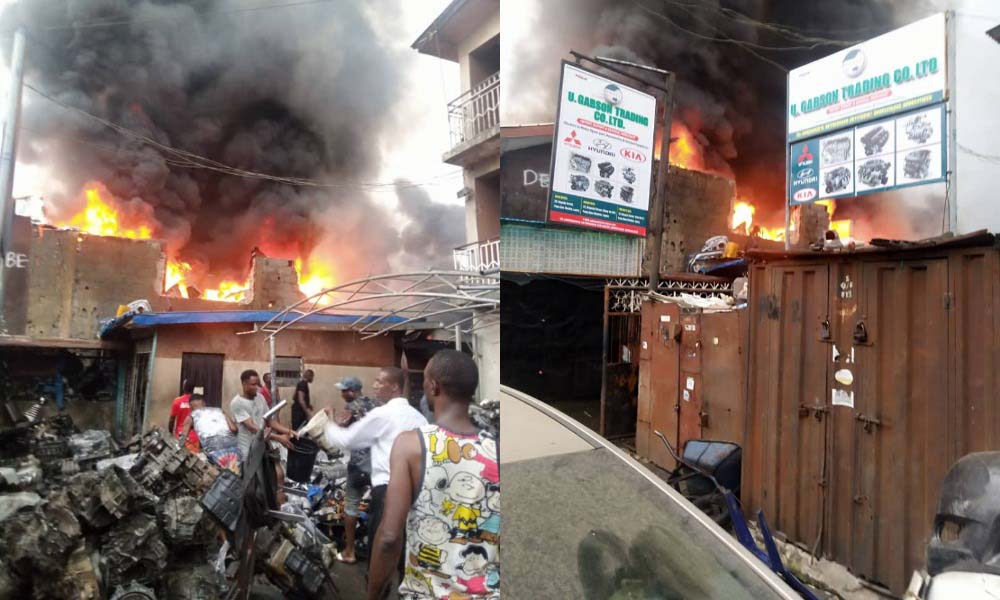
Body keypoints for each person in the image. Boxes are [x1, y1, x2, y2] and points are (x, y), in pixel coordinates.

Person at [366, 350, 498, 600]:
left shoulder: (411, 445)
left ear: (434, 387)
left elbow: (390, 537)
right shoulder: (497, 449)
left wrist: (372, 594)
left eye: (425, 380)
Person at [321, 367, 427, 564]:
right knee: (405, 547)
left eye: (379, 381)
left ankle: (354, 557)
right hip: (414, 490)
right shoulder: (419, 418)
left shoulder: (382, 414)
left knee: (381, 547)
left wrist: (327, 421)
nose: (374, 385)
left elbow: (346, 439)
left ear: (394, 387)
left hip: (385, 488)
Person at [334, 376, 376, 564]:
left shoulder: (352, 407)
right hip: (377, 466)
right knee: (379, 508)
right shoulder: (375, 404)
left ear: (352, 391)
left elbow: (340, 427)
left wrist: (329, 416)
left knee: (351, 506)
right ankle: (377, 551)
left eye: (344, 391)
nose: (342, 394)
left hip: (358, 465)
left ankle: (349, 551)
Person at [230, 369, 295, 460]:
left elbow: (270, 421)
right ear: (244, 384)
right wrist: (278, 437)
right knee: (252, 473)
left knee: (276, 472)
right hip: (248, 448)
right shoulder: (237, 403)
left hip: (262, 445)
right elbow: (252, 428)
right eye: (253, 384)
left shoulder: (260, 397)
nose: (257, 387)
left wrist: (288, 431)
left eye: (258, 384)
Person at [179, 394, 242, 473]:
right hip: (233, 448)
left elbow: (182, 439)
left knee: (221, 478)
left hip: (214, 452)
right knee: (237, 475)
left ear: (190, 408)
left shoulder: (191, 416)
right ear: (204, 404)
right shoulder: (219, 410)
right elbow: (234, 428)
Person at [286, 368, 318, 484]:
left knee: (301, 431)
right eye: (312, 376)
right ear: (309, 376)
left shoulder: (303, 384)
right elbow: (300, 399)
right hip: (299, 412)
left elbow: (303, 399)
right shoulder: (303, 384)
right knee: (298, 432)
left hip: (299, 411)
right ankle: (295, 453)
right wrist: (307, 411)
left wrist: (308, 405)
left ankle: (297, 452)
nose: (313, 379)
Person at [168, 380, 199, 453]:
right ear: (193, 389)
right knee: (193, 462)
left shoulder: (177, 401)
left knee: (179, 460)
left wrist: (170, 432)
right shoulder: (198, 402)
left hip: (180, 437)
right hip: (194, 437)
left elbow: (172, 420)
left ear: (183, 388)